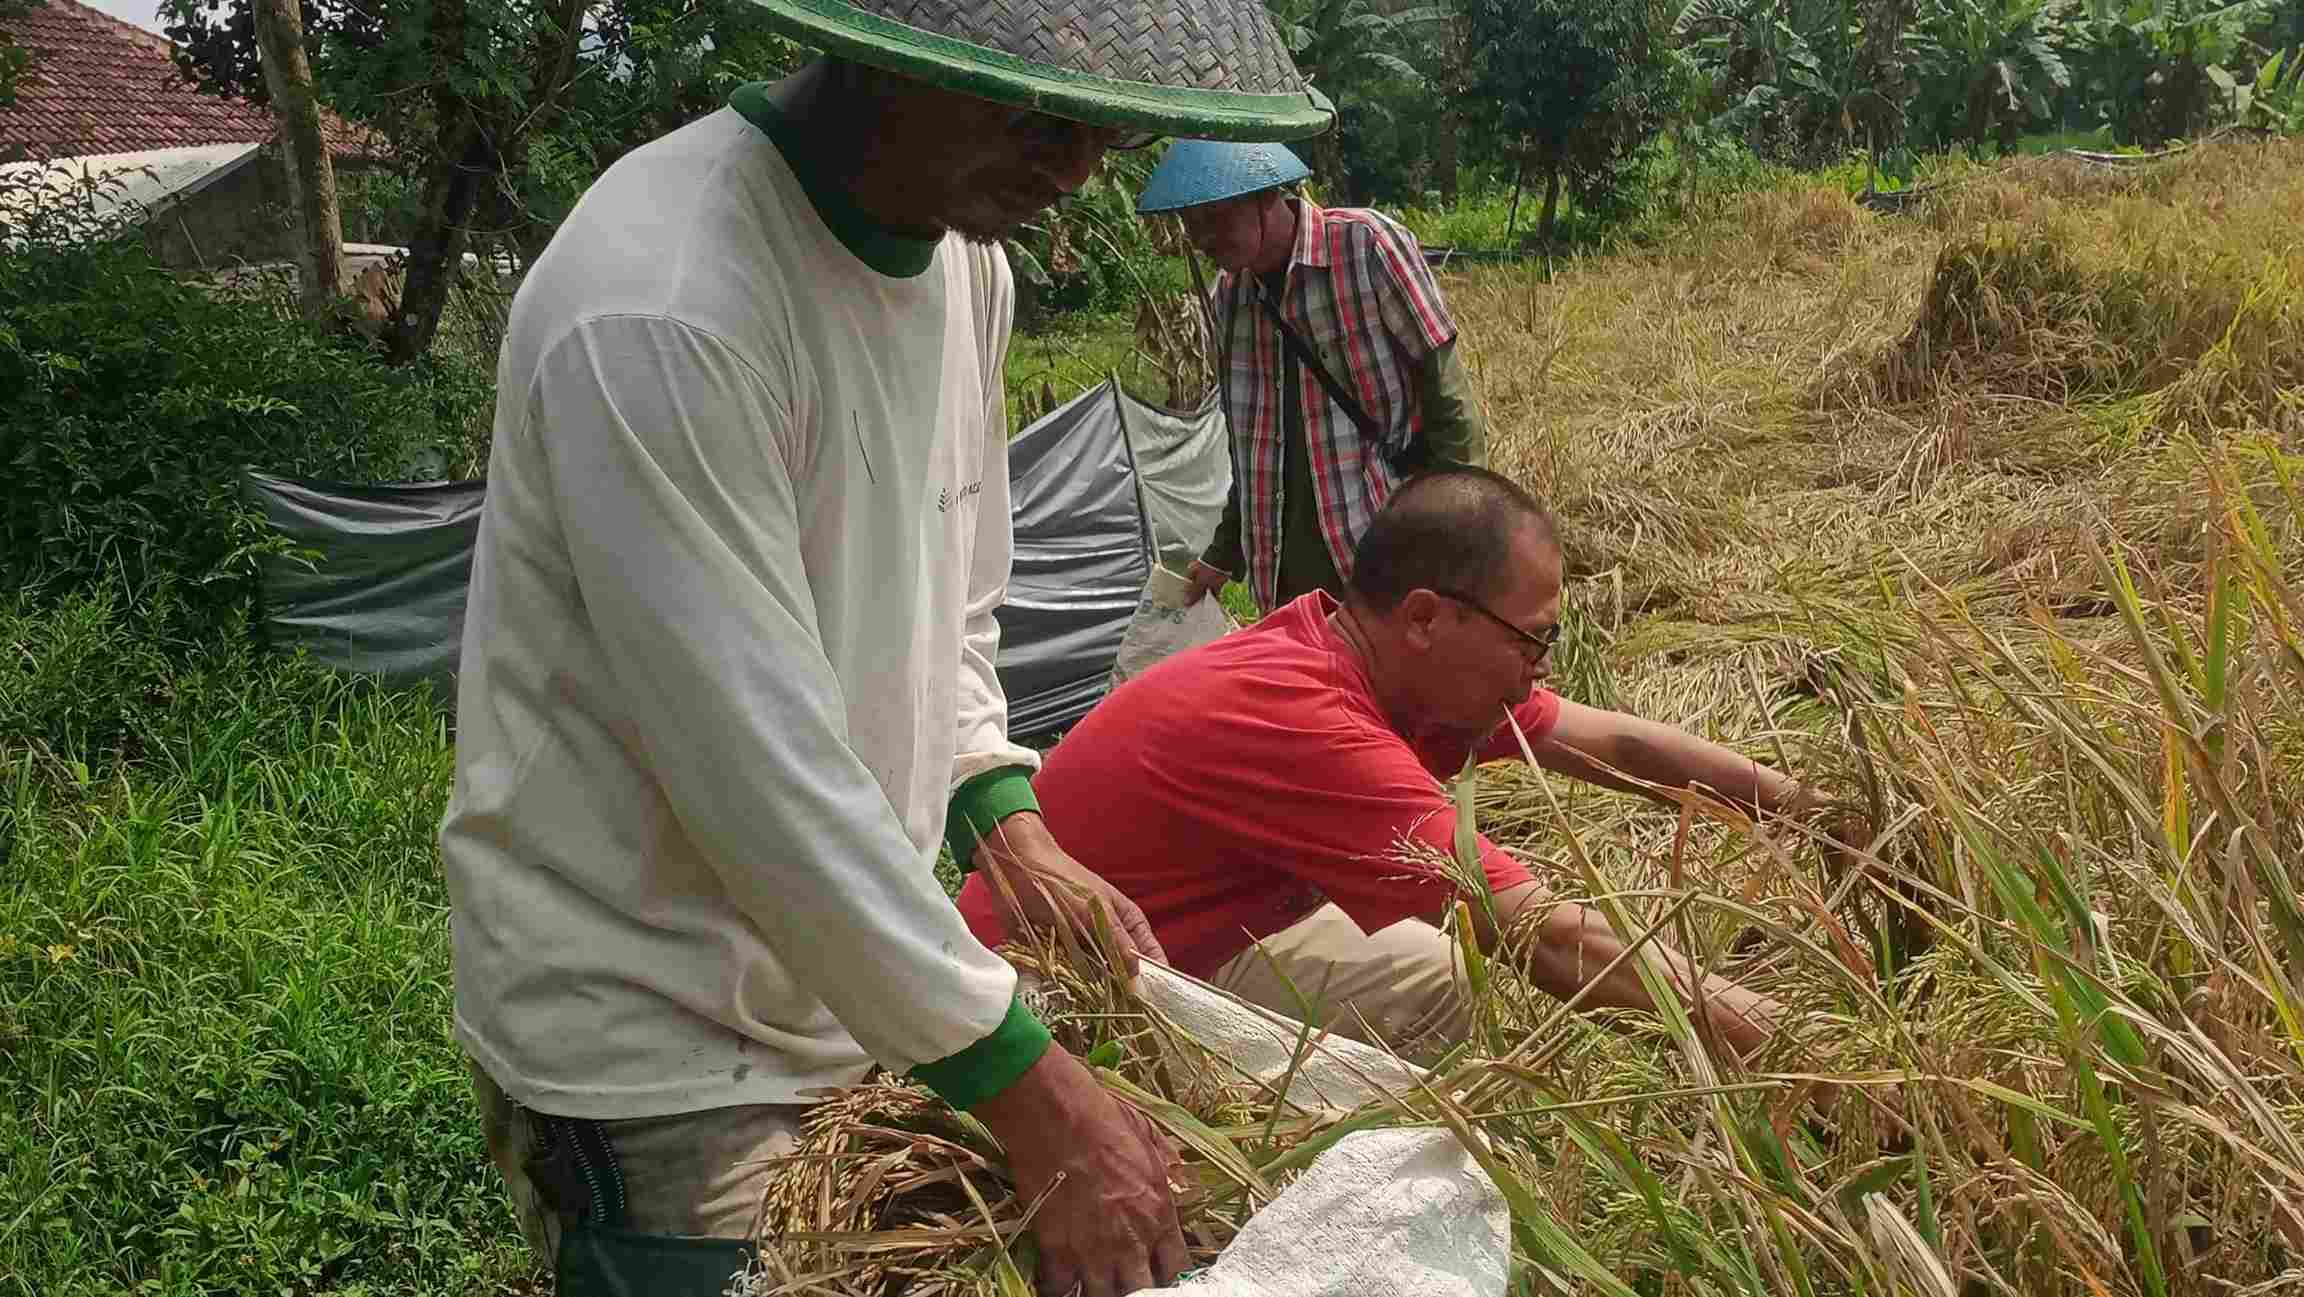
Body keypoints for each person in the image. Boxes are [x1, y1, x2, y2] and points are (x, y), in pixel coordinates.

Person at [436, 0, 1332, 1292]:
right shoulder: (666, 306)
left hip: (845, 983)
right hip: (660, 1037)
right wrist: (1026, 1085)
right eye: (1029, 109)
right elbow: (763, 779)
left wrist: (1004, 820)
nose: (1072, 164)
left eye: (1102, 126)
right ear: (889, 46)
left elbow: (952, 604)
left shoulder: (972, 271)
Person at [958, 468, 1863, 1062]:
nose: (1540, 668)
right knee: (1448, 987)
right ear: (1428, 617)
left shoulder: (1404, 671)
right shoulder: (1313, 722)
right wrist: (1810, 1055)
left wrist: (1813, 811)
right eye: (1531, 640)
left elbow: (1619, 746)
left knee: (1436, 965)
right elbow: (1544, 932)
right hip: (1044, 989)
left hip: (1176, 931)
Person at [1135, 140, 1488, 615]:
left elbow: (1449, 404)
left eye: (1214, 219)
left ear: (1266, 197)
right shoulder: (1231, 300)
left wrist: (1463, 544)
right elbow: (1251, 450)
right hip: (1282, 584)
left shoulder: (1366, 248)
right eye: (1190, 223)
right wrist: (1222, 553)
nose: (1200, 239)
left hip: (1380, 556)